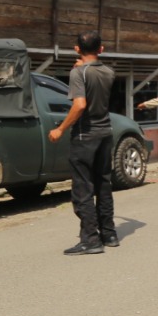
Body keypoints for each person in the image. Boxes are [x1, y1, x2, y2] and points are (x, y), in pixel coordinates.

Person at [48, 31, 118, 255]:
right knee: (103, 185)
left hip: (84, 136)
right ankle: (109, 233)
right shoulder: (109, 71)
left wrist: (60, 128)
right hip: (105, 133)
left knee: (83, 189)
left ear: (77, 49)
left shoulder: (78, 73)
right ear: (102, 49)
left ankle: (90, 238)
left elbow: (79, 105)